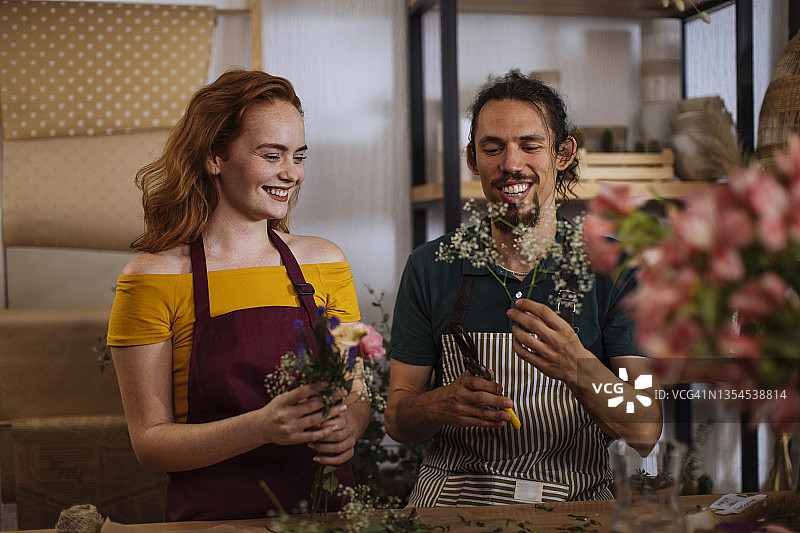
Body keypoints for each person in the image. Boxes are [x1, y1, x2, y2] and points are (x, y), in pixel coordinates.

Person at [385, 71, 663, 506]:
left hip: (573, 506)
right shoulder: (430, 267)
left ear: (563, 153)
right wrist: (438, 404)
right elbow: (398, 422)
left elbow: (644, 429)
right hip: (453, 505)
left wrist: (578, 366)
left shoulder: (615, 269)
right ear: (472, 160)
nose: (511, 164)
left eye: (530, 146)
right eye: (492, 148)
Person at [107, 69, 370, 521]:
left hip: (329, 515)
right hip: (214, 521)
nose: (291, 174)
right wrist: (261, 427)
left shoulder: (326, 262)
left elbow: (355, 388)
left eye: (299, 156)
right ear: (215, 157)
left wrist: (351, 423)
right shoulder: (152, 278)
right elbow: (150, 444)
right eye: (272, 155)